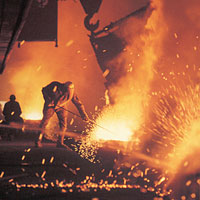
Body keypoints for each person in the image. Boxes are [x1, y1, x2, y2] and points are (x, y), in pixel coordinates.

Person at [35, 81, 89, 147]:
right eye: (67, 91)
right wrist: (48, 100)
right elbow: (44, 90)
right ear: (64, 87)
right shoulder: (55, 85)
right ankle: (38, 140)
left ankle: (60, 142)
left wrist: (83, 114)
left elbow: (78, 103)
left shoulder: (72, 93)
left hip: (61, 107)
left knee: (63, 125)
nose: (68, 93)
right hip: (50, 106)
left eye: (70, 91)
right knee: (44, 123)